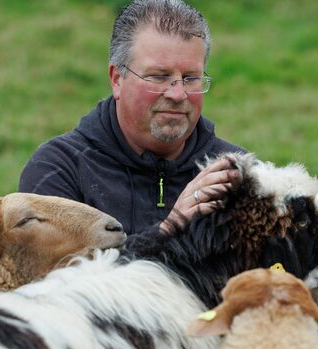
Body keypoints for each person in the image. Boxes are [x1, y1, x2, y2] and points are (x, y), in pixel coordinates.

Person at [19, 0, 244, 235]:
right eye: (159, 76)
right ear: (117, 79)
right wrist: (170, 231)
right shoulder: (59, 170)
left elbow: (277, 271)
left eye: (190, 78)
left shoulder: (237, 176)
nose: (178, 94)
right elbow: (63, 272)